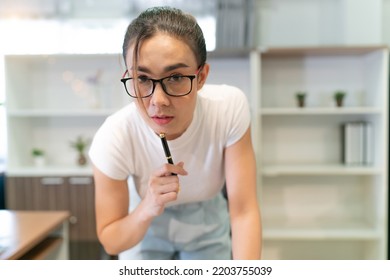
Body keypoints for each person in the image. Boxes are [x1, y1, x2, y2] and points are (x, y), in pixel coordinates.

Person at [89, 6, 262, 260]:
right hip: (143, 225)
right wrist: (148, 205)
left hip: (207, 220)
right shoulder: (115, 136)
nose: (158, 101)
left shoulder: (228, 109)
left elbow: (244, 211)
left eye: (176, 77)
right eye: (143, 78)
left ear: (201, 76)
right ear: (128, 76)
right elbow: (111, 242)